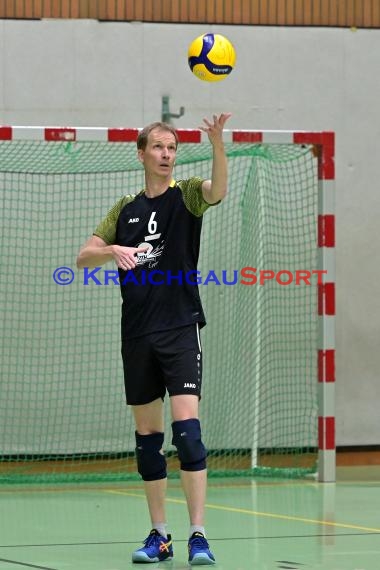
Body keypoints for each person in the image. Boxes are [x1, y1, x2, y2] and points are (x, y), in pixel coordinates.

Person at [76, 112, 231, 565]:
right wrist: (111, 250)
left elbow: (217, 191)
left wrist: (218, 143)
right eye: (158, 147)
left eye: (172, 148)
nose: (166, 155)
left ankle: (198, 534)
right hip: (137, 333)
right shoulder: (124, 208)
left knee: (187, 434)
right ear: (141, 153)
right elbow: (83, 257)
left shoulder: (186, 196)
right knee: (148, 438)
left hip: (180, 328)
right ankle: (159, 535)